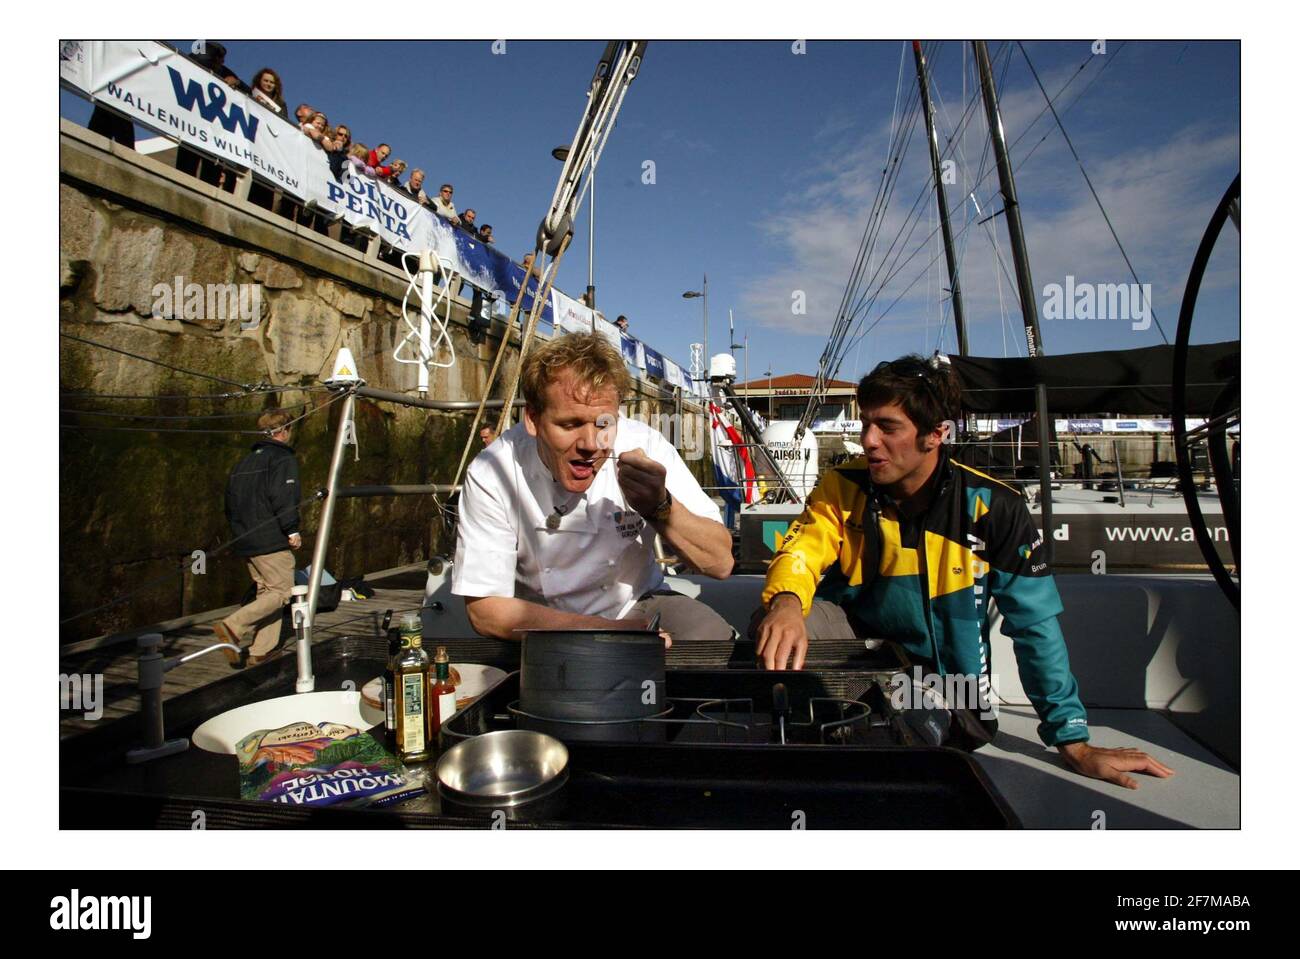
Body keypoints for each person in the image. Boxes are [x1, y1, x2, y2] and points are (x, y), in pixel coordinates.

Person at [751, 354, 1176, 790]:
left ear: (937, 434)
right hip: (858, 661)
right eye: (865, 425)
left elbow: (1034, 628)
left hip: (952, 697)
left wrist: (1074, 741)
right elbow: (799, 551)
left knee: (901, 751)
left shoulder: (996, 507)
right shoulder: (842, 485)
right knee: (777, 621)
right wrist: (785, 602)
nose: (869, 441)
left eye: (887, 427)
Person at [453, 332, 735, 643]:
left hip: (636, 604)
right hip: (542, 621)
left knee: (714, 639)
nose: (591, 444)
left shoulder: (644, 447)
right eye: (570, 425)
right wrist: (607, 634)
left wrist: (660, 507)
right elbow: (486, 610)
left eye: (604, 424)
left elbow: (720, 562)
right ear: (533, 419)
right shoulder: (494, 471)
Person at [212, 411, 303, 667]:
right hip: (270, 539)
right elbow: (284, 496)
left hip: (245, 539)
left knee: (267, 592)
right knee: (283, 591)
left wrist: (240, 533)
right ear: (284, 431)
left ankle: (260, 651)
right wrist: (292, 529)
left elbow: (229, 503)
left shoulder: (244, 462)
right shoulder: (283, 459)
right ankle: (232, 626)